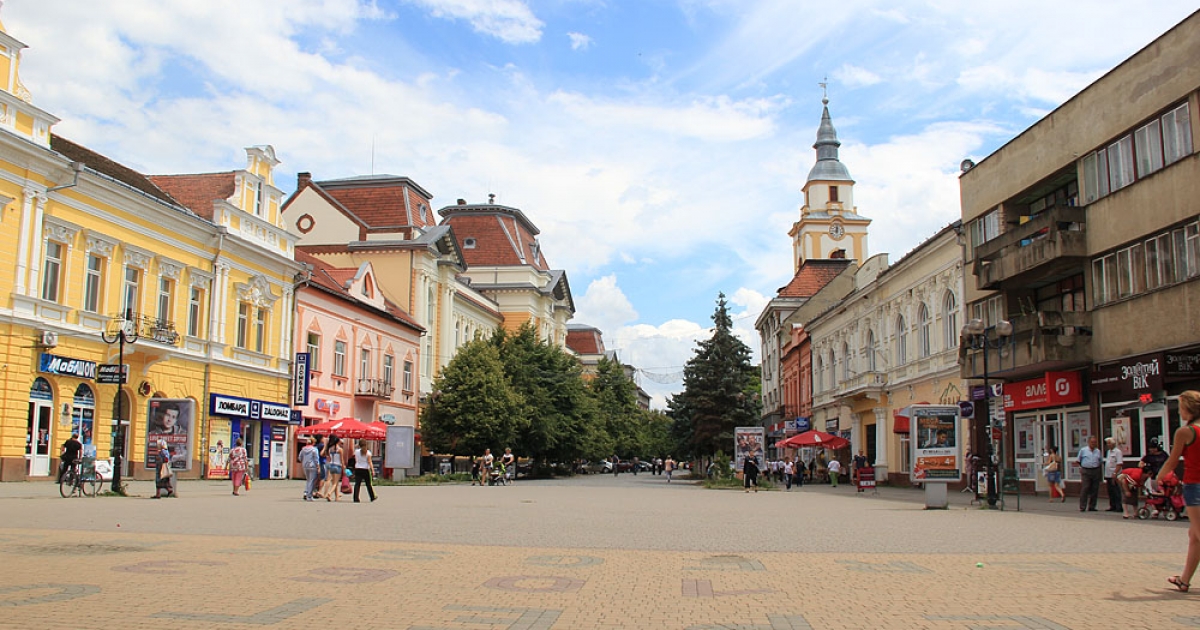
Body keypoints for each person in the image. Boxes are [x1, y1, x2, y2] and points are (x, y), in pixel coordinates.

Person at [1156, 390, 1199, 593]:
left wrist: (1159, 477)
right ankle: (1184, 580)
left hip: (1195, 485)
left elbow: (1173, 460)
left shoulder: (1186, 431)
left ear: (1189, 408)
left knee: (1199, 532)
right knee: (1194, 535)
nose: (1179, 411)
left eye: (1181, 407)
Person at [1078, 435, 1103, 512]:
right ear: (1088, 442)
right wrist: (1082, 468)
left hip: (1095, 470)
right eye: (1092, 442)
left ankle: (1092, 506)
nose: (1093, 443)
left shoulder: (1098, 451)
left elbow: (1100, 461)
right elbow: (1078, 460)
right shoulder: (1083, 450)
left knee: (1094, 489)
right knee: (1085, 488)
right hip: (1086, 470)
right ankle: (1082, 506)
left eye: (1095, 442)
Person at [353, 438, 376, 502]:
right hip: (365, 469)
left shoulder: (356, 452)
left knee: (357, 484)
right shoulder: (368, 453)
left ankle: (356, 498)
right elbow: (370, 462)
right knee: (368, 484)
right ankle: (372, 496)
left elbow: (354, 450)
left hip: (358, 468)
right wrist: (372, 470)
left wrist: (358, 445)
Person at [1104, 437, 1124, 512]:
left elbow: (1119, 463)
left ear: (1113, 443)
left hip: (1115, 474)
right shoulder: (1109, 452)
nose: (1108, 445)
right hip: (1108, 474)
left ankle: (1119, 506)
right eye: (1107, 443)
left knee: (1116, 491)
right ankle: (1112, 505)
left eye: (1109, 443)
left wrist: (1115, 473)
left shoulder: (1118, 452)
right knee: (1110, 491)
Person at [322, 436, 344, 501]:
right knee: (335, 483)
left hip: (331, 465)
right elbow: (341, 460)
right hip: (338, 466)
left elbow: (328, 457)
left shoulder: (330, 449)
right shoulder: (340, 449)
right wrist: (344, 467)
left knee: (334, 482)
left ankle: (337, 497)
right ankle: (329, 493)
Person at [299, 437, 320, 501]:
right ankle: (309, 496)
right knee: (312, 481)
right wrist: (318, 466)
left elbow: (300, 457)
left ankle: (306, 492)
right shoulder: (314, 449)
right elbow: (316, 459)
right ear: (313, 443)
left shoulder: (303, 449)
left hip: (305, 466)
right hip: (313, 466)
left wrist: (303, 461)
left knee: (308, 480)